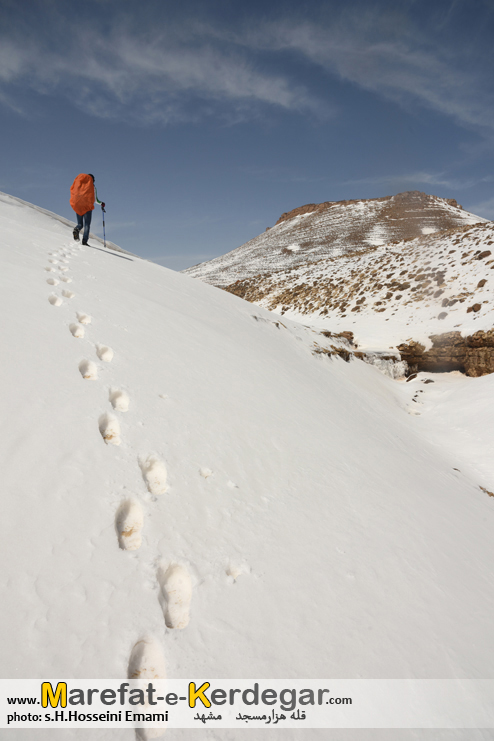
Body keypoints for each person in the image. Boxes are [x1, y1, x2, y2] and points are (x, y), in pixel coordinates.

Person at [69, 173, 105, 245]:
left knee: (80, 224)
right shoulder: (93, 187)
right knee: (87, 224)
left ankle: (77, 229)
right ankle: (84, 241)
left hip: (78, 205)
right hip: (87, 207)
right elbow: (95, 200)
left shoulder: (79, 185)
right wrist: (102, 203)